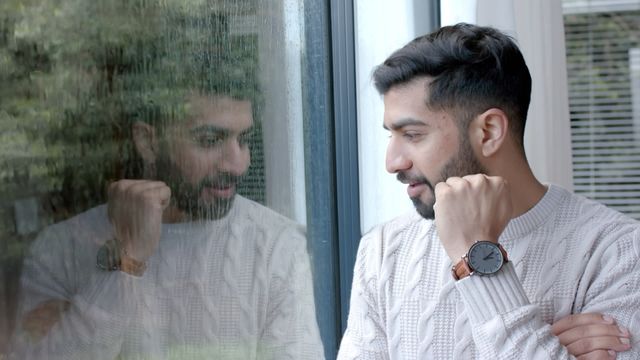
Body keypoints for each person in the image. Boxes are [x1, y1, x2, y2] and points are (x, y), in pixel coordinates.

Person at [338, 23, 639, 359]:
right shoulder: (382, 250)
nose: (392, 162)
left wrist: (476, 257)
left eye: (412, 135)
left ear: (489, 131)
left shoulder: (621, 251)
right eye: (390, 136)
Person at [8, 44, 324, 360]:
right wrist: (128, 261)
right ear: (148, 141)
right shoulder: (61, 248)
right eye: (210, 140)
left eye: (244, 140)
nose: (237, 164)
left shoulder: (277, 246)